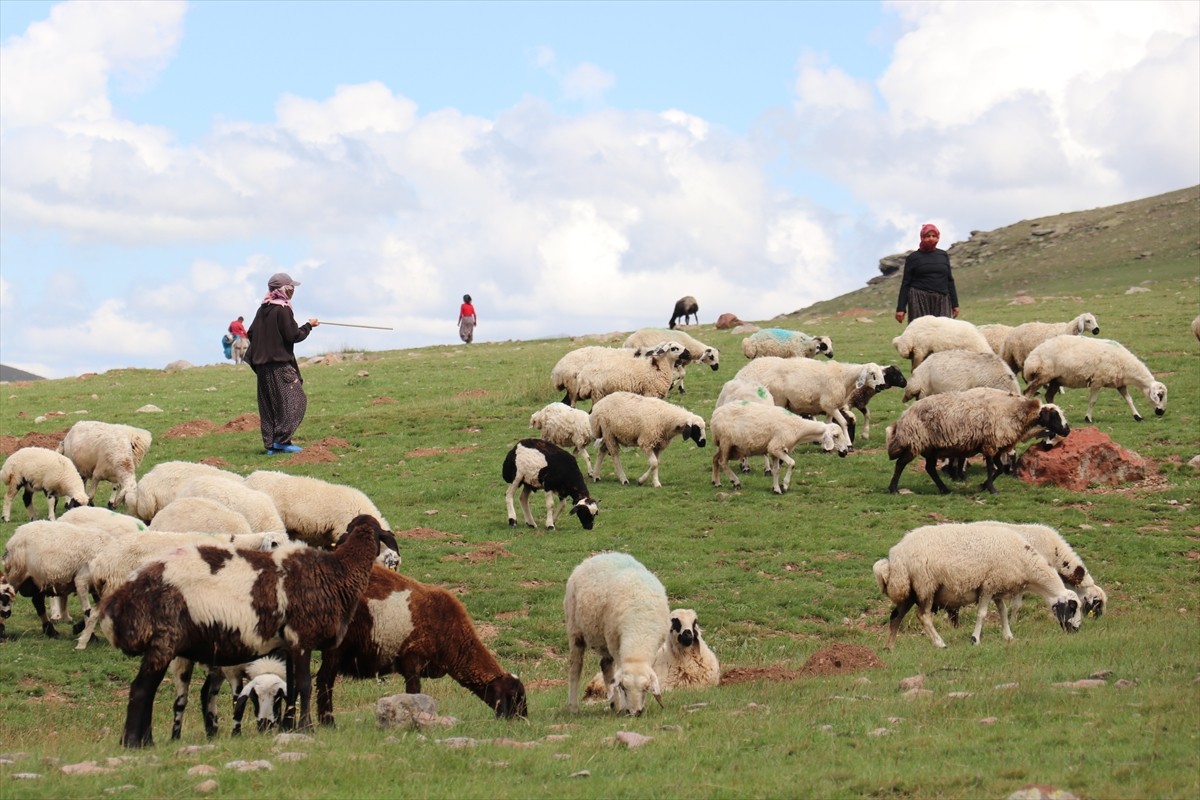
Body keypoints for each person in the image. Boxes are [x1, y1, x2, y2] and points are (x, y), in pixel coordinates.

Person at [246, 272, 320, 455]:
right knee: (296, 401)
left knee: (269, 404)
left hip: (262, 366)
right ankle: (282, 441)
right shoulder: (283, 309)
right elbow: (294, 335)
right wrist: (308, 326)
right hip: (280, 365)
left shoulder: (263, 309)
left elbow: (251, 333)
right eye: (291, 287)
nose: (293, 290)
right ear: (283, 289)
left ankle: (271, 445)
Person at [895, 223, 959, 324]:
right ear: (922, 237)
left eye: (934, 236)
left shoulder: (943, 255)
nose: (931, 239)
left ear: (938, 237)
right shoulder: (913, 257)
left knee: (943, 330)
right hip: (919, 298)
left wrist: (955, 304)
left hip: (942, 298)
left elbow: (949, 280)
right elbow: (906, 284)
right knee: (920, 330)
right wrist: (901, 308)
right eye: (927, 236)